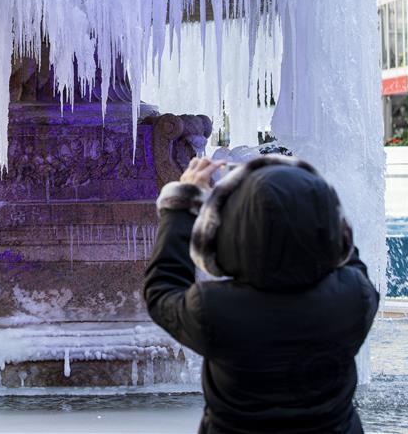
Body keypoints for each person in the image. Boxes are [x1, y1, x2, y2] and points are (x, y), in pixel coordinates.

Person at [144, 155, 379, 434]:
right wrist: (313, 206)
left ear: (232, 232)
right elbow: (344, 251)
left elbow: (162, 288)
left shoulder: (212, 310)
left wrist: (182, 207)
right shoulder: (354, 298)